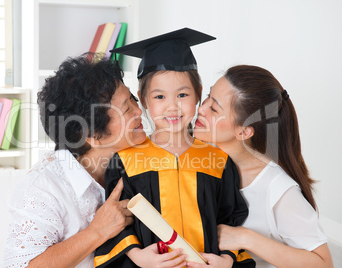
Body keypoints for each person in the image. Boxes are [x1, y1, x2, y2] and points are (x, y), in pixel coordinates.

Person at [95, 28, 255, 268]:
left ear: (199, 95)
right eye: (159, 97)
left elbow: (231, 220)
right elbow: (117, 222)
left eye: (182, 94)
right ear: (144, 99)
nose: (172, 107)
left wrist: (228, 259)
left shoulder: (218, 160)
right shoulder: (125, 162)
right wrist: (138, 256)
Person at [3, 54, 147, 268]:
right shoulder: (42, 189)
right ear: (93, 136)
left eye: (133, 100)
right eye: (127, 109)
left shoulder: (133, 159)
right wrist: (96, 232)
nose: (139, 111)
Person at [189, 65, 334, 268]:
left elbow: (324, 264)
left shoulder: (278, 189)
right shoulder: (203, 163)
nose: (201, 109)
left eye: (214, 108)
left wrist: (245, 238)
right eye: (208, 97)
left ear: (244, 132)